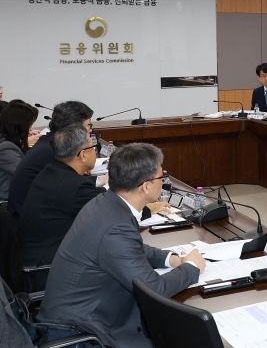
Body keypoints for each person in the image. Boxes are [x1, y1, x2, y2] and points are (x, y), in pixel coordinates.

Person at [37, 143, 205, 347]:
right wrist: (192, 267)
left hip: (82, 313)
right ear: (146, 186)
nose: (163, 181)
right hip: (83, 332)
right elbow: (155, 290)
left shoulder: (105, 203)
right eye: (162, 177)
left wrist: (171, 259)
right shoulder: (115, 226)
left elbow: (131, 249)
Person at [18, 125, 106, 291]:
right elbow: (113, 210)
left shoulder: (51, 171)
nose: (95, 151)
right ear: (83, 155)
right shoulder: (74, 187)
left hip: (38, 259)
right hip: (48, 271)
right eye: (93, 147)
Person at [8, 100, 100, 214]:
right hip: (26, 216)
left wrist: (98, 179)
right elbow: (71, 187)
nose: (90, 130)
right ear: (74, 129)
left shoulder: (49, 142)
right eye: (88, 125)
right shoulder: (53, 150)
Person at [0, 100, 38, 202]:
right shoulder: (6, 148)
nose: (30, 128)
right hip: (7, 202)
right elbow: (26, 173)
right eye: (29, 124)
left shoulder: (9, 141)